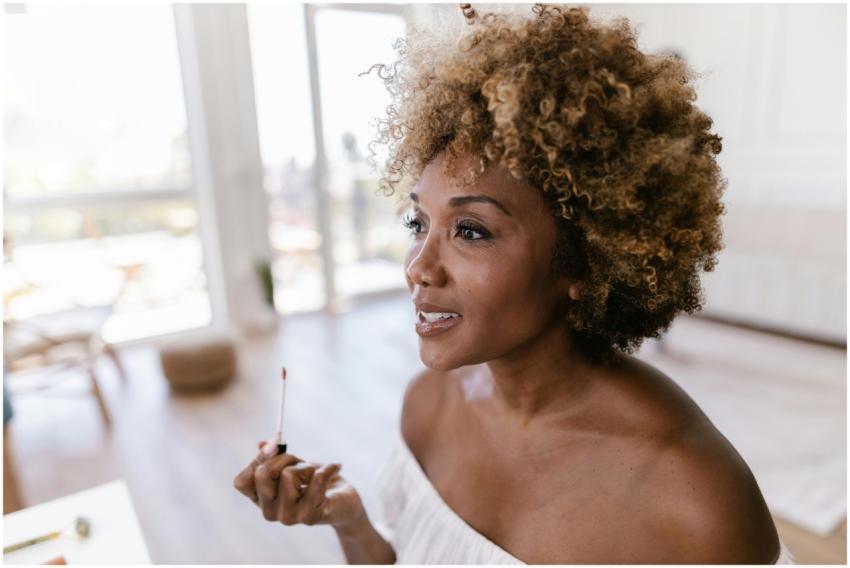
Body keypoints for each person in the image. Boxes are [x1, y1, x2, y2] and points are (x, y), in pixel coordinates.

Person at [234, 4, 796, 563]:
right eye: (418, 224)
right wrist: (351, 521)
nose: (418, 267)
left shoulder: (693, 500)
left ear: (582, 261)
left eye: (471, 231)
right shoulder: (428, 405)